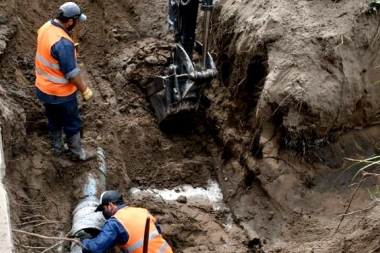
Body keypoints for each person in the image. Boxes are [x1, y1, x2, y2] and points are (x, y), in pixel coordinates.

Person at [35, 2, 95, 161]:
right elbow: (72, 74)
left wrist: (68, 50)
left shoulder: (46, 27)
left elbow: (51, 52)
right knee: (72, 122)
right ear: (70, 22)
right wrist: (85, 90)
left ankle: (57, 148)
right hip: (61, 93)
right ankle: (78, 154)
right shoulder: (63, 43)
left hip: (44, 89)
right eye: (75, 22)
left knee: (53, 118)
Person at [75, 190, 174, 253]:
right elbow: (157, 231)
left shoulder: (115, 222)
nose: (103, 213)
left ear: (110, 205)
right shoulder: (142, 211)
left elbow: (96, 249)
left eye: (103, 209)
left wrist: (85, 240)